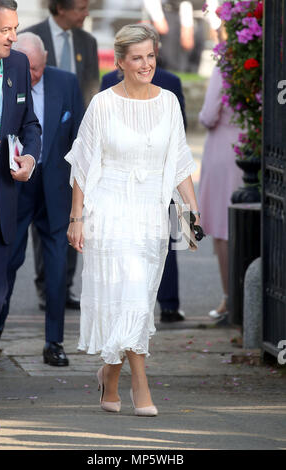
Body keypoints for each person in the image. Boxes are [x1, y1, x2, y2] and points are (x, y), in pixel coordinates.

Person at [66, 24, 201, 416]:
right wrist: (77, 218)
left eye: (151, 57)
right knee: (130, 296)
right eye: (137, 58)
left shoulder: (169, 102)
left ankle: (109, 375)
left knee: (138, 300)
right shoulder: (103, 104)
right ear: (121, 61)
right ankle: (140, 384)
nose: (146, 65)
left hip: (150, 216)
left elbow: (179, 164)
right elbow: (83, 166)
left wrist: (190, 214)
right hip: (108, 212)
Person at [0, 32, 85, 366]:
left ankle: (54, 342)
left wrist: (80, 195)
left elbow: (79, 138)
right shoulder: (3, 78)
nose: (34, 76)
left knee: (58, 268)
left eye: (39, 69)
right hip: (15, 184)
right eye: (30, 68)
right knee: (5, 265)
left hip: (56, 187)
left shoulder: (66, 82)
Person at [24, 0, 99, 311]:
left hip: (73, 142)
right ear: (61, 8)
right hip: (37, 144)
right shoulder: (29, 37)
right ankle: (47, 286)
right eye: (80, 7)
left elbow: (91, 91)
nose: (85, 13)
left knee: (71, 217)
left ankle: (64, 286)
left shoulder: (87, 41)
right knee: (42, 228)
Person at [0, 0, 41, 415]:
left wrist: (29, 158)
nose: (12, 37)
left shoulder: (19, 65)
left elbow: (30, 126)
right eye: (5, 29)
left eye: (15, 28)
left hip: (2, 198)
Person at [100, 65, 187, 322]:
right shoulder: (170, 79)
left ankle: (141, 305)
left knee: (159, 240)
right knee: (165, 241)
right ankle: (168, 306)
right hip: (148, 175)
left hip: (154, 176)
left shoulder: (169, 84)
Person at [198, 64, 243, 320]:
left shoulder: (225, 65)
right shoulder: (259, 60)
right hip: (249, 143)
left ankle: (229, 297)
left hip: (223, 149)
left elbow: (208, 115)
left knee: (224, 229)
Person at [143, 0, 220, 73]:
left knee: (193, 66)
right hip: (172, 15)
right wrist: (157, 17)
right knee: (171, 66)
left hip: (198, 16)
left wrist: (214, 23)